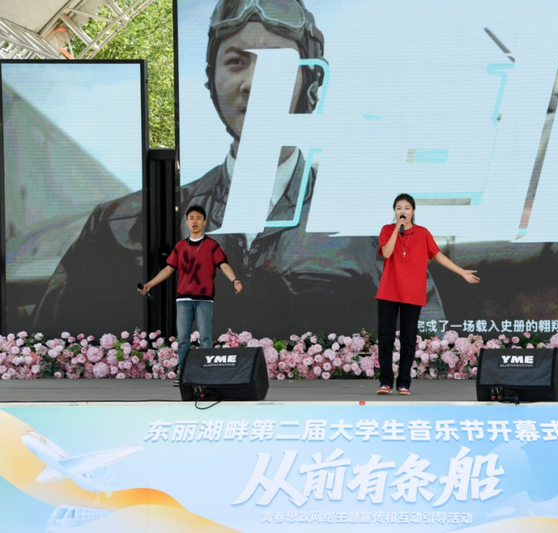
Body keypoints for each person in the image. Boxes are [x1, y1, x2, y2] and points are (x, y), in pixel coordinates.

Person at [32, 0, 444, 338]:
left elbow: (429, 341)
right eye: (236, 62)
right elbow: (50, 351)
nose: (252, 83)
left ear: (311, 83)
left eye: (276, 65)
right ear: (210, 82)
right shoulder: (122, 225)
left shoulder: (366, 227)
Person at [375, 194, 480, 395]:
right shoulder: (387, 230)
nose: (402, 211)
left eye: (406, 208)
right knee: (385, 338)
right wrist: (397, 229)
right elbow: (386, 253)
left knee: (408, 340)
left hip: (412, 294)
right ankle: (385, 382)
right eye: (398, 208)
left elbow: (438, 256)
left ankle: (404, 383)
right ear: (394, 211)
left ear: (413, 211)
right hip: (389, 292)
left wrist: (461, 272)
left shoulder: (422, 233)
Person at [138, 205, 242, 384]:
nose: (195, 221)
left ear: (204, 222)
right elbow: (168, 269)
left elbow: (223, 264)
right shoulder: (180, 246)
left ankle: (206, 376)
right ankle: (185, 375)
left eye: (198, 218)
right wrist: (149, 284)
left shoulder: (211, 245)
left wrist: (234, 280)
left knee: (205, 338)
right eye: (191, 218)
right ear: (186, 222)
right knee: (183, 340)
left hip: (204, 299)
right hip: (183, 299)